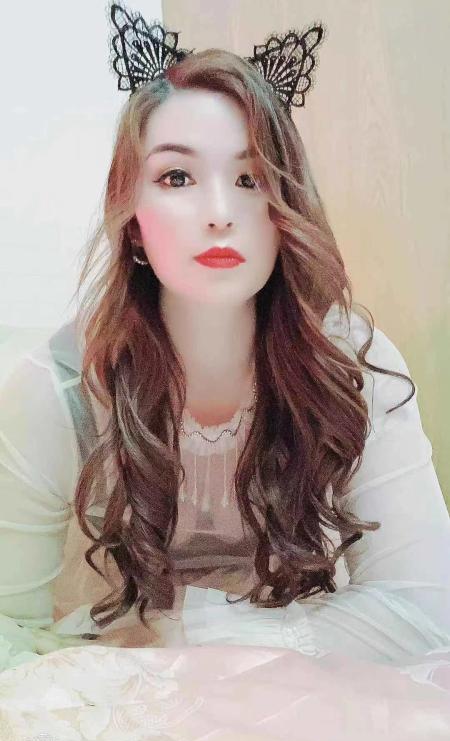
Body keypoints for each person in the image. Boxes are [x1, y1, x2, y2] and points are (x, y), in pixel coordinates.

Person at [1, 44, 450, 675]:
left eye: (250, 179)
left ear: (286, 208)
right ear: (132, 221)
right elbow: (9, 630)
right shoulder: (60, 391)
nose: (218, 215)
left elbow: (425, 610)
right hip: (121, 690)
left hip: (297, 684)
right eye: (177, 178)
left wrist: (191, 641)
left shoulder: (350, 366)